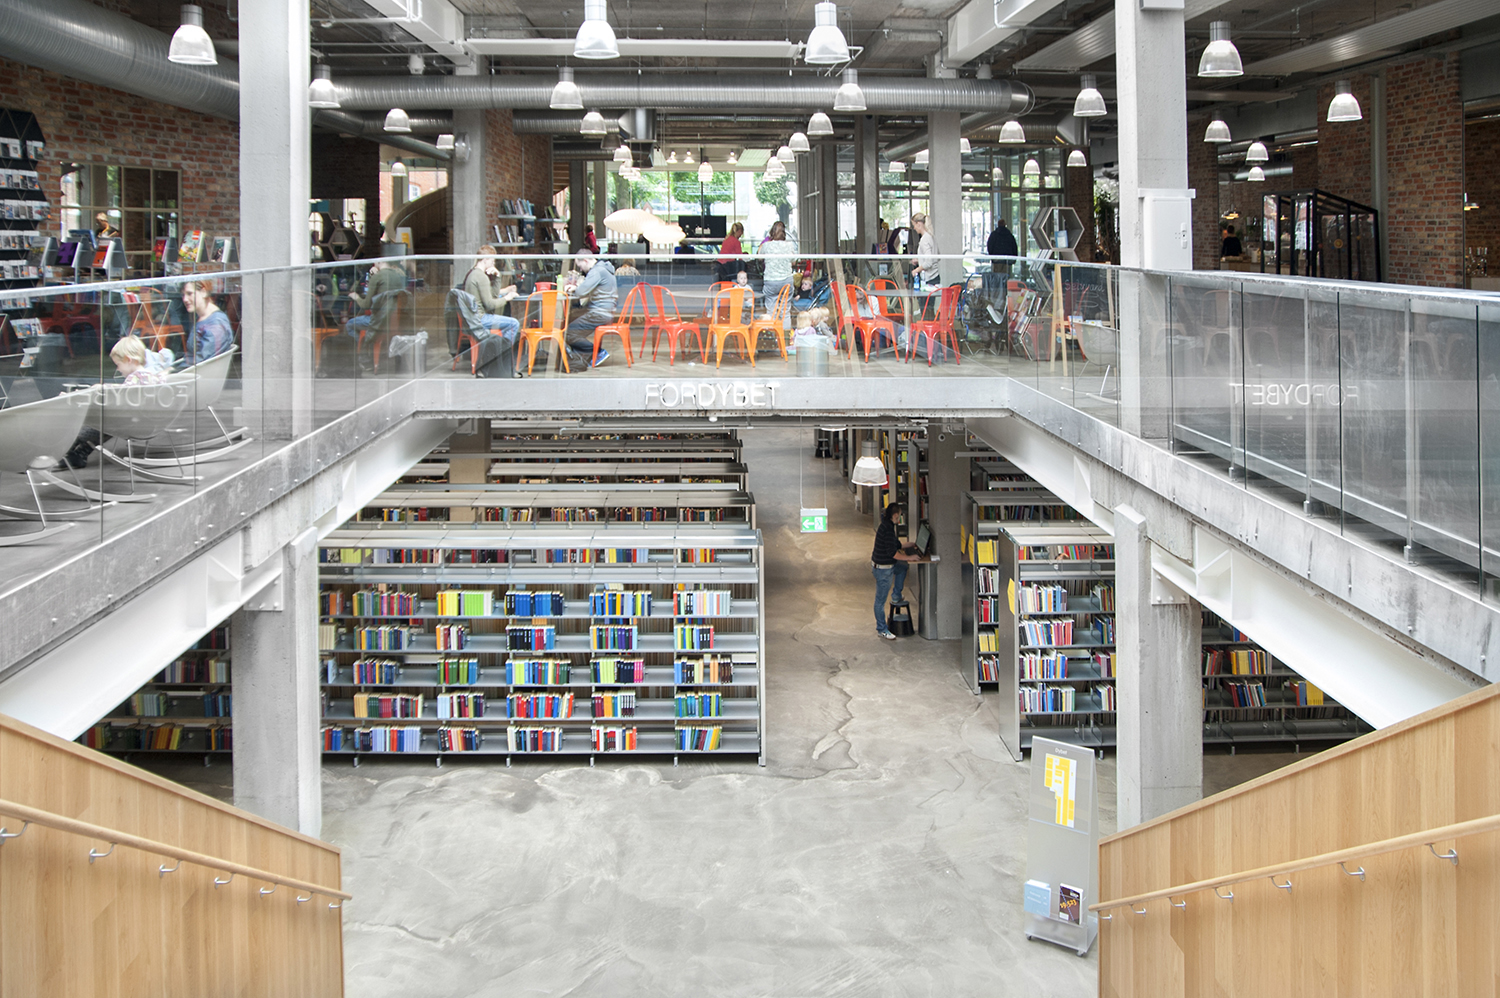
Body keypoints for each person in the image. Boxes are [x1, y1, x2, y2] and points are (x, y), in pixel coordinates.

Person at [58, 336, 167, 469]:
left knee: (102, 420)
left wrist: (94, 392)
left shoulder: (135, 378)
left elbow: (122, 395)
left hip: (134, 423)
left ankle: (68, 450)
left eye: (118, 364)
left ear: (128, 360)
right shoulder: (153, 377)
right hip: (148, 421)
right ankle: (80, 452)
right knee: (108, 420)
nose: (118, 369)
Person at [459, 245, 521, 377]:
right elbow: (490, 304)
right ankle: (501, 359)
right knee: (514, 324)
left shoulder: (472, 273)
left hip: (473, 318)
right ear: (485, 259)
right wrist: (507, 298)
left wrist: (497, 277)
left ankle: (498, 356)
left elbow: (491, 295)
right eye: (492, 260)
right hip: (481, 319)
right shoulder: (481, 277)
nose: (493, 263)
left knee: (509, 324)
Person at [562, 250, 618, 370]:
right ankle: (584, 356)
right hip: (606, 311)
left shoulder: (597, 271)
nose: (581, 269)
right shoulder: (604, 269)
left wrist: (575, 288)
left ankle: (597, 352)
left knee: (568, 333)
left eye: (580, 266)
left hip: (599, 313)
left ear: (585, 260)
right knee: (572, 327)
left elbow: (581, 292)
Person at [871, 502, 919, 640]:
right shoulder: (887, 529)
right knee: (880, 601)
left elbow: (896, 545)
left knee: (902, 567)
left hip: (885, 565)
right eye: (900, 515)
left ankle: (896, 595)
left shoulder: (888, 526)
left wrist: (911, 544)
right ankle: (882, 629)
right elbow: (893, 554)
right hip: (883, 569)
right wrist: (909, 557)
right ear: (896, 515)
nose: (900, 517)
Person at [344, 258, 405, 339]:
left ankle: (365, 346)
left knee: (349, 325)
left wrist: (356, 297)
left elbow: (366, 305)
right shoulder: (398, 276)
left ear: (380, 261)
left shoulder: (378, 277)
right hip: (394, 321)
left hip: (379, 321)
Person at [181, 281, 234, 365]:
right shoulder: (202, 318)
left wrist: (173, 370)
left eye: (189, 293)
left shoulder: (216, 322)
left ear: (203, 292)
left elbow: (203, 359)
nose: (185, 299)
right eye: (183, 295)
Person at [760, 221, 797, 314]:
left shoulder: (766, 245)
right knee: (785, 311)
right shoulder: (789, 245)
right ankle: (785, 324)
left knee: (771, 310)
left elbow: (759, 257)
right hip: (786, 280)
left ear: (772, 232)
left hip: (771, 280)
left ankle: (771, 323)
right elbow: (794, 262)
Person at [909, 213, 939, 289]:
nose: (914, 228)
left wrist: (916, 270)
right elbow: (936, 257)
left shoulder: (925, 239)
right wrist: (920, 260)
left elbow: (928, 262)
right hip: (935, 276)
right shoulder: (932, 236)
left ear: (919, 224)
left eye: (914, 225)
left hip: (929, 278)